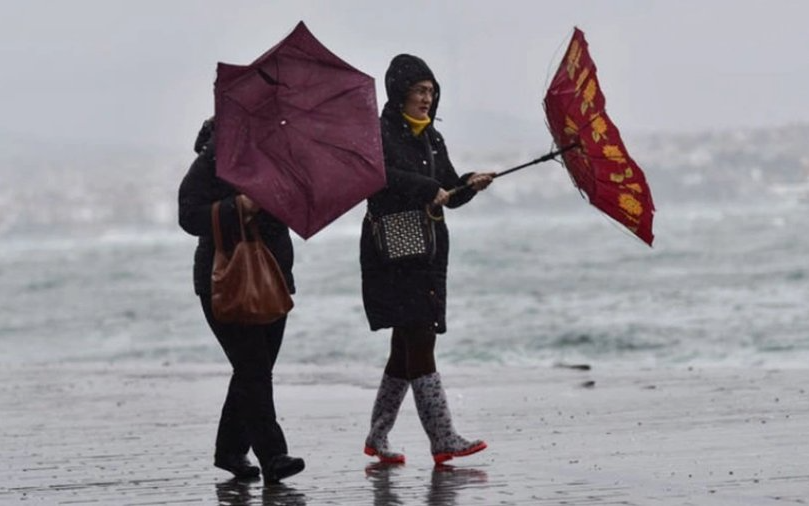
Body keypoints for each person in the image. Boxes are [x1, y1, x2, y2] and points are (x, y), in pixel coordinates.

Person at [360, 54, 494, 465]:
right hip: (392, 255)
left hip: (428, 251)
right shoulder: (378, 133)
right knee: (420, 337)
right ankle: (443, 437)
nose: (427, 98)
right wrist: (424, 188)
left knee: (405, 345)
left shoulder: (433, 138)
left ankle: (376, 437)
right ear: (400, 92)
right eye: (420, 90)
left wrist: (469, 185)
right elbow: (376, 179)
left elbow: (447, 191)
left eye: (432, 91)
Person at [178, 117, 305, 483]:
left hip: (274, 276)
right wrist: (239, 206)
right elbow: (188, 215)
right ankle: (273, 456)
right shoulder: (215, 157)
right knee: (253, 368)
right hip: (224, 281)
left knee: (255, 369)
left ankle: (230, 450)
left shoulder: (282, 158)